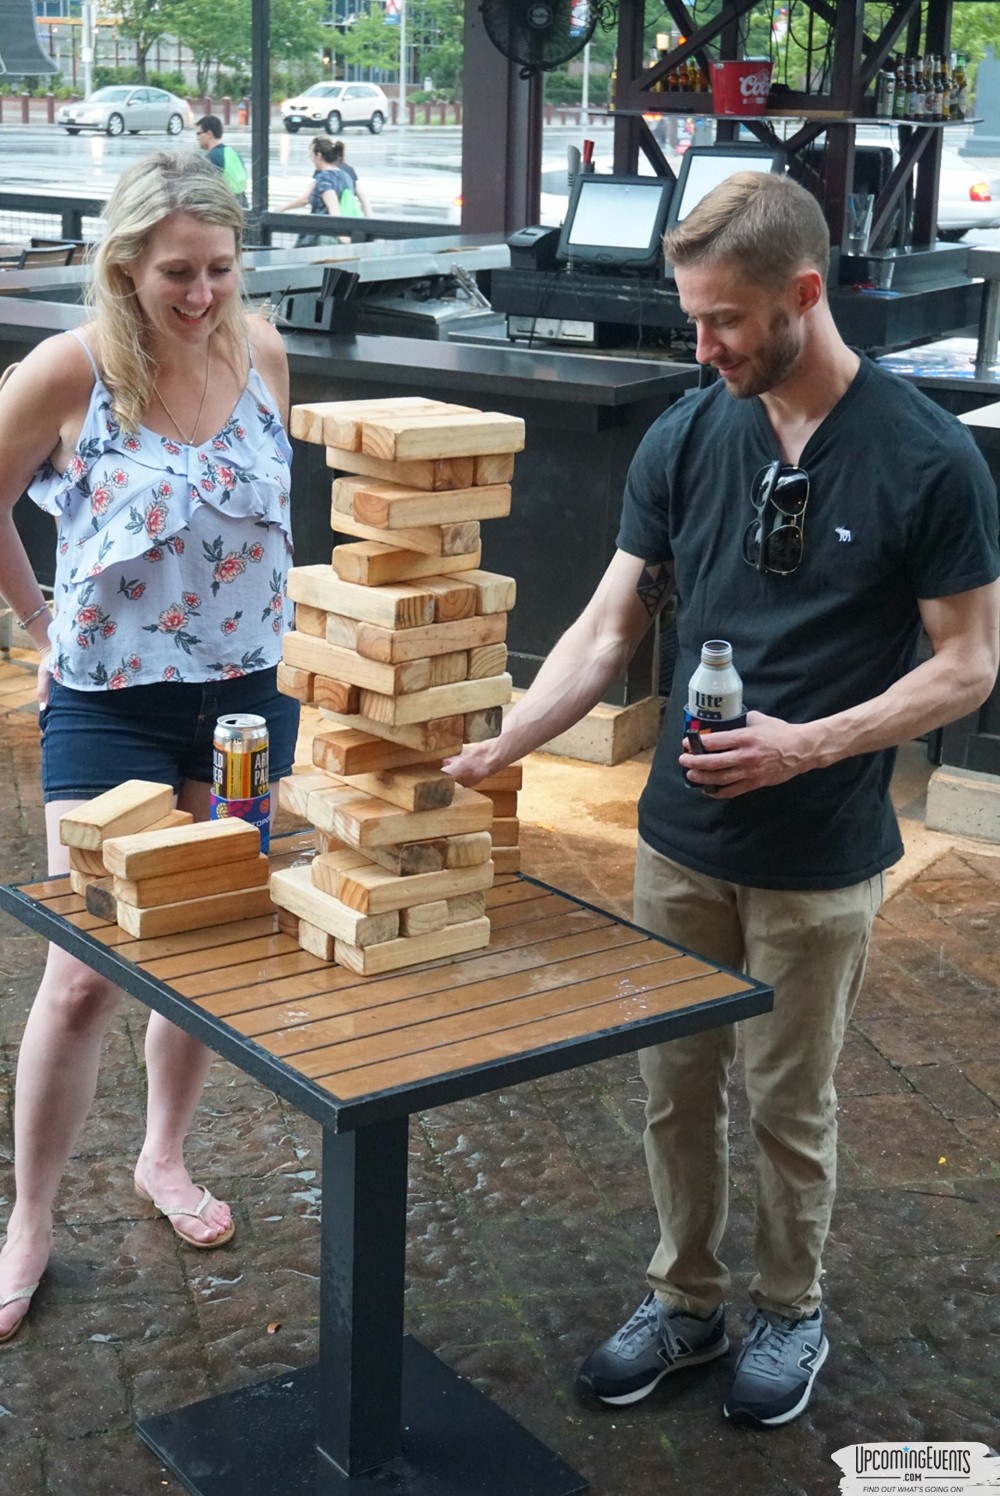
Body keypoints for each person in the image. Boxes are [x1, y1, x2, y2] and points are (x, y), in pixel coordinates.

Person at [445, 172, 1000, 1428]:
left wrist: (809, 746)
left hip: (822, 850)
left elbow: (969, 661)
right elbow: (603, 627)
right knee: (672, 1086)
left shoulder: (929, 456)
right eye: (691, 318)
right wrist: (502, 744)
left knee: (790, 1100)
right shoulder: (688, 434)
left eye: (724, 322)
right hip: (679, 844)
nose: (700, 349)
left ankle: (788, 1306)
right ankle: (684, 1297)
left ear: (805, 294)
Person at [0, 150, 299, 1344]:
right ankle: (27, 1215)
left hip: (242, 702)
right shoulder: (71, 371)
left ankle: (163, 1158)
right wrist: (35, 628)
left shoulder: (263, 352)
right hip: (108, 700)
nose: (200, 294)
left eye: (221, 268)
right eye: (177, 271)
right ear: (125, 264)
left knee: (204, 939)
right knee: (84, 971)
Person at [281, 138, 345, 245]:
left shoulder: (324, 178)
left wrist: (282, 208)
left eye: (311, 155)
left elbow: (332, 207)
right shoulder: (344, 175)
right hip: (344, 228)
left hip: (322, 232)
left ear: (318, 156)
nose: (310, 159)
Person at [195, 114, 248, 208]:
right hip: (243, 203)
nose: (197, 138)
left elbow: (207, 190)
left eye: (199, 133)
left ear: (209, 134)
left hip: (225, 206)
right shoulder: (233, 152)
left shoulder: (212, 157)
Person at [328, 140, 371, 217]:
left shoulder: (325, 171)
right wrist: (369, 220)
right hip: (349, 216)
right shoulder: (349, 170)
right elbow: (363, 200)